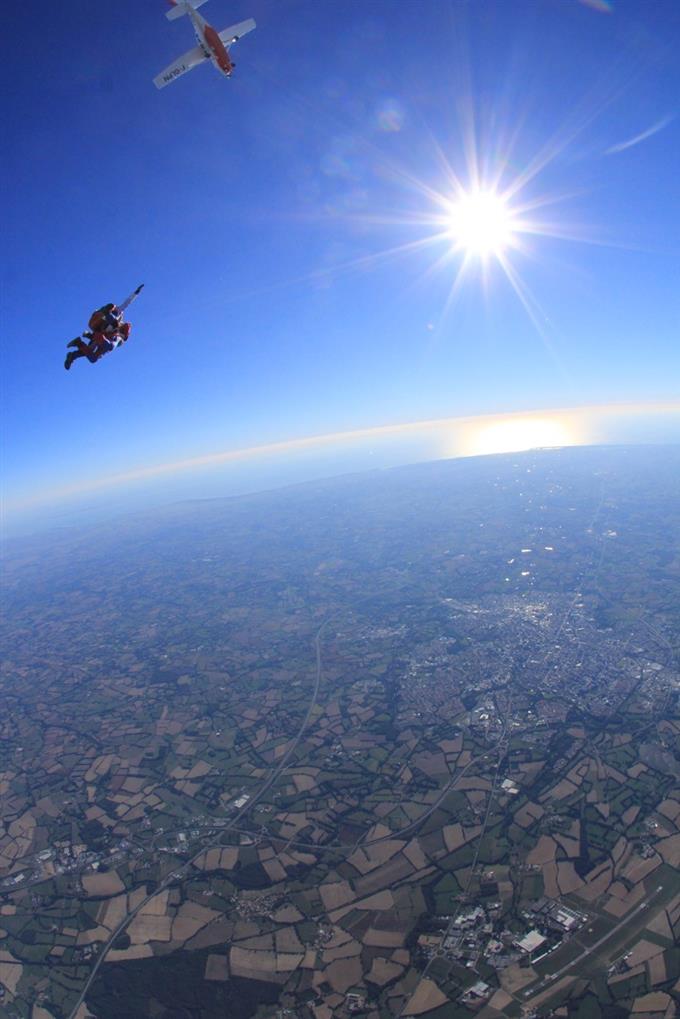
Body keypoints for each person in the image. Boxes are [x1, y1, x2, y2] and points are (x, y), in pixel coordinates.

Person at [64, 285, 143, 370]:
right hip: (100, 320)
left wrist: (90, 337)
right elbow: (127, 302)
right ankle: (105, 314)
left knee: (92, 355)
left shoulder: (112, 338)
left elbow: (103, 346)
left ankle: (73, 353)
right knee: (114, 323)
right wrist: (136, 293)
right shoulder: (118, 318)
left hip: (100, 331)